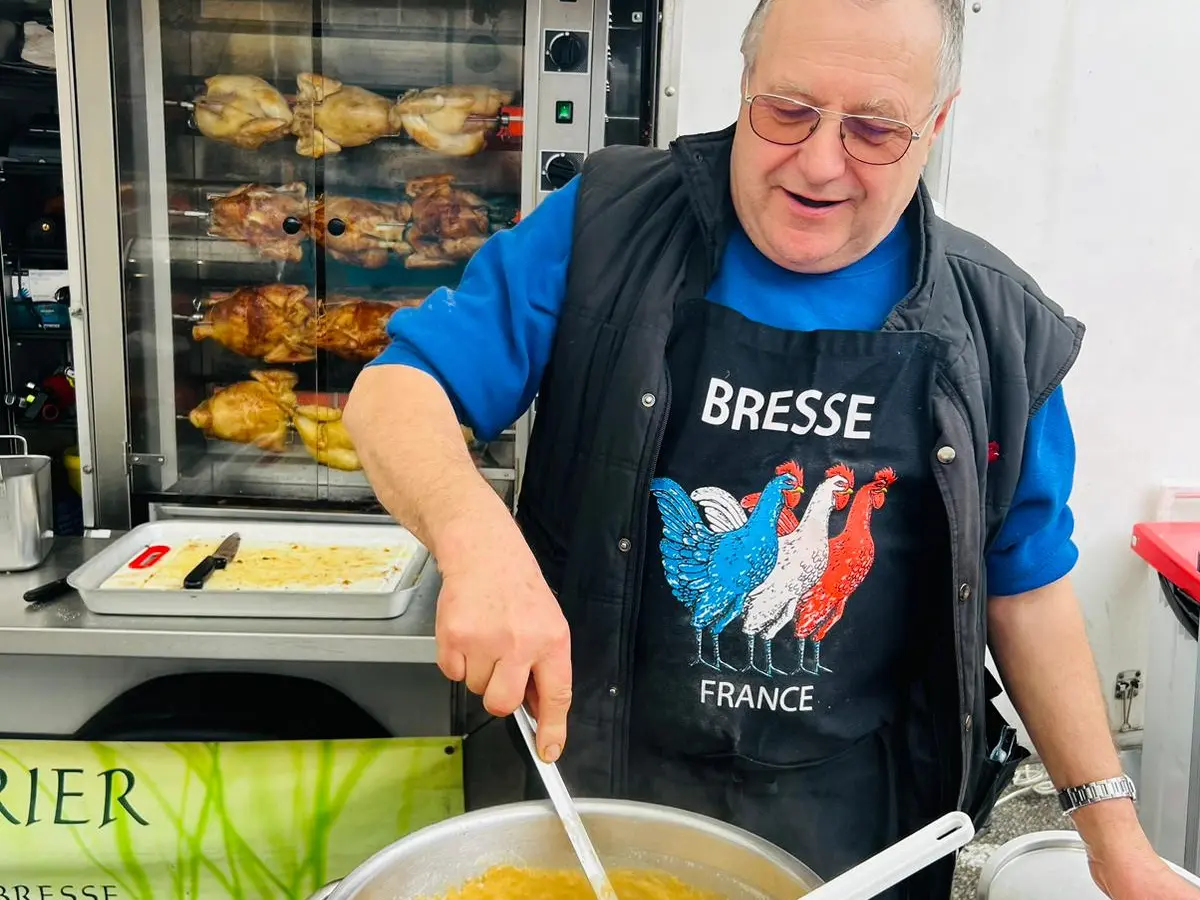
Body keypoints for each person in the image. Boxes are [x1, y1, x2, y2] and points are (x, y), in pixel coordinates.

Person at [344, 0, 1199, 896]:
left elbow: (1026, 588)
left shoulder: (997, 328)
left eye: (874, 130)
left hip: (859, 839)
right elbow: (397, 392)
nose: (820, 163)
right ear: (745, 80)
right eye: (788, 110)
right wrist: (479, 545)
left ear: (936, 122)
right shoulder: (600, 229)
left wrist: (1117, 844)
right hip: (586, 803)